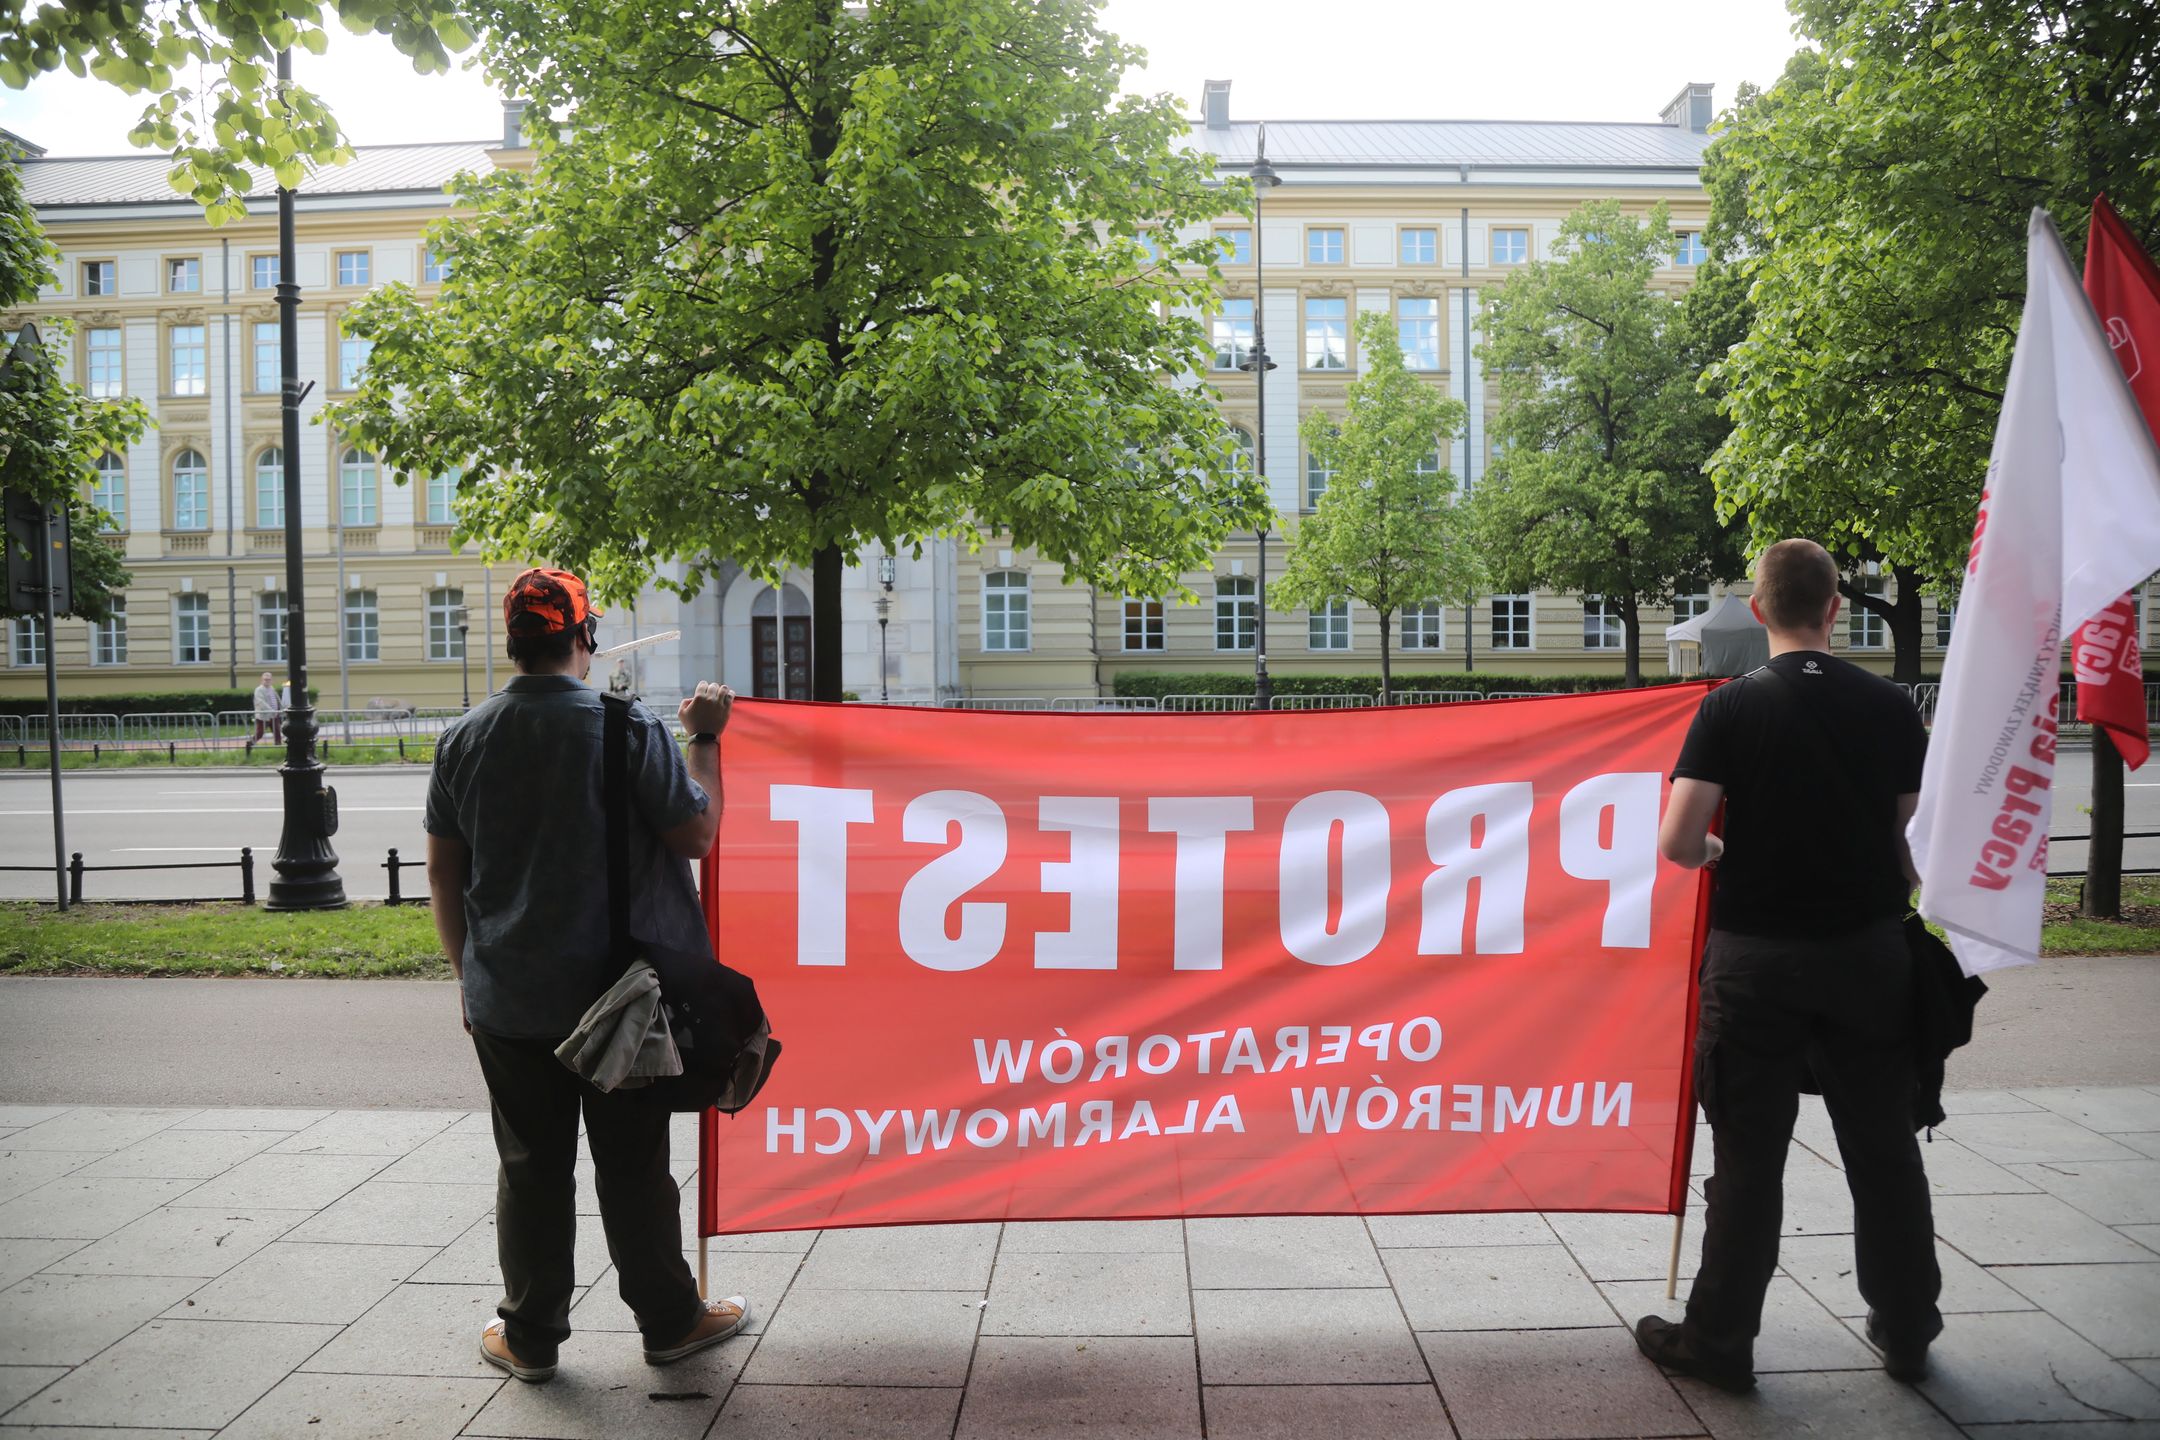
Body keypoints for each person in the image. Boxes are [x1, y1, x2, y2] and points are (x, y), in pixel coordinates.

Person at [1635, 538, 1941, 1393]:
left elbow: (1678, 841)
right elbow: (1916, 851)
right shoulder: (1888, 708)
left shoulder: (1731, 709)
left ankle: (1721, 1340)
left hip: (1756, 964)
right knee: (1883, 1149)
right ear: (1836, 607)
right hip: (1870, 958)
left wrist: (1724, 846)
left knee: (1748, 1158)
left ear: (1760, 609)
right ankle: (1909, 1326)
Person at [424, 565, 744, 1384]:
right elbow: (695, 837)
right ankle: (671, 1323)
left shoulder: (463, 737)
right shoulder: (624, 729)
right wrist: (703, 741)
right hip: (618, 999)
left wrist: (468, 977)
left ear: (514, 641)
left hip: (507, 997)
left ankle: (530, 1337)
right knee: (634, 1165)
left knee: (531, 1167)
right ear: (584, 636)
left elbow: (444, 875)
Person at [250, 671, 283, 745]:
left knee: (277, 732)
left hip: (274, 715)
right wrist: (271, 710)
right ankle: (249, 744)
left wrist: (281, 708)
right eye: (265, 679)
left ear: (271, 680)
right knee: (260, 733)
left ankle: (278, 747)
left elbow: (277, 699)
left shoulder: (271, 688)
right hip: (263, 716)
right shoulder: (259, 690)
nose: (267, 681)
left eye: (269, 679)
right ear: (262, 680)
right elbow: (261, 702)